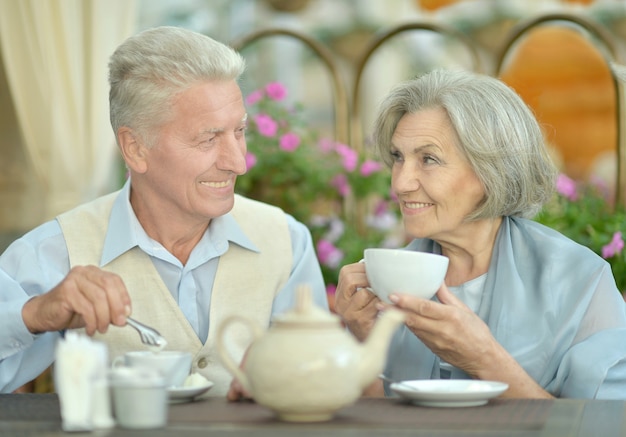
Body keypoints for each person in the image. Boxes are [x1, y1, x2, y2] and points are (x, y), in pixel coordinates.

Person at [0, 26, 328, 396]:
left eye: (239, 131)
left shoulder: (287, 241)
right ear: (135, 148)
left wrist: (295, 380)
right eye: (208, 139)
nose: (238, 162)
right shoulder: (55, 251)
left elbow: (321, 380)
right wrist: (34, 315)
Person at [335, 69, 626, 399]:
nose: (400, 183)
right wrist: (362, 338)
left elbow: (604, 425)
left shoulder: (578, 279)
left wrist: (484, 358)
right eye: (398, 157)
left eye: (428, 159)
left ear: (492, 171)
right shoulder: (387, 278)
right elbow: (375, 422)